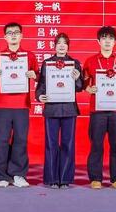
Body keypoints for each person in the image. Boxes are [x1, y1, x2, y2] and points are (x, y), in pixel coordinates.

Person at [0, 22, 40, 187]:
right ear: (5, 37)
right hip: (3, 105)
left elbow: (39, 76)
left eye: (16, 32)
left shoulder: (29, 56)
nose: (13, 35)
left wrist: (34, 75)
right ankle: (1, 176)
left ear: (21, 36)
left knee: (20, 140)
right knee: (1, 140)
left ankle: (18, 174)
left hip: (22, 105)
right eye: (10, 33)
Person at [82, 26, 116, 190]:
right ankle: (95, 178)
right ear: (98, 41)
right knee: (96, 145)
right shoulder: (90, 61)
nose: (107, 41)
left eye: (110, 38)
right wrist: (88, 89)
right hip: (97, 111)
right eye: (104, 38)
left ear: (115, 41)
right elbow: (83, 83)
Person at [36, 33, 84, 188]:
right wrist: (40, 96)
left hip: (69, 109)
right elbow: (41, 85)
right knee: (51, 144)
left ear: (68, 46)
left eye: (65, 43)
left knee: (68, 144)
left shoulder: (74, 63)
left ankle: (65, 179)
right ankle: (52, 179)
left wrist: (77, 78)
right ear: (54, 46)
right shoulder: (47, 63)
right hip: (52, 108)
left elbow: (80, 88)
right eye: (59, 43)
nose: (62, 46)